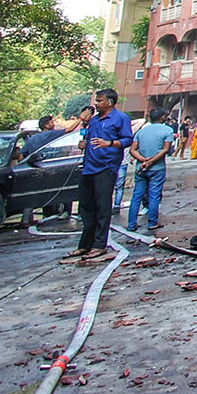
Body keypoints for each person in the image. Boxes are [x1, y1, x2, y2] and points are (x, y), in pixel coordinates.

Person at [62, 90, 133, 264]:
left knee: (102, 207)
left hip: (106, 167)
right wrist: (84, 142)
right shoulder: (94, 120)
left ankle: (99, 244)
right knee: (86, 207)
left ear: (110, 102)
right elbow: (89, 138)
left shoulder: (120, 118)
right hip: (89, 167)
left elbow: (127, 140)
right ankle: (85, 244)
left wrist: (109, 143)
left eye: (100, 101)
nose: (96, 104)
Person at [126, 107, 175, 231]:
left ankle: (131, 224)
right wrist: (151, 161)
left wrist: (143, 160)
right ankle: (152, 222)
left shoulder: (141, 132)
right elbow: (165, 149)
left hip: (141, 168)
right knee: (154, 196)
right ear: (163, 117)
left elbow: (132, 150)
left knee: (136, 196)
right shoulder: (167, 130)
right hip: (157, 168)